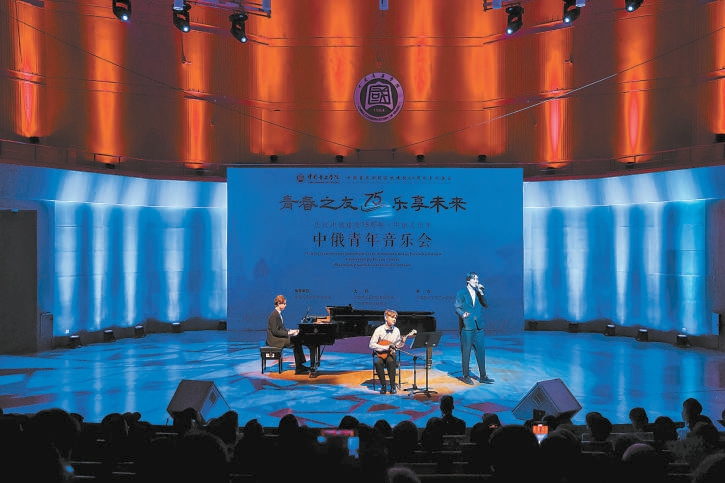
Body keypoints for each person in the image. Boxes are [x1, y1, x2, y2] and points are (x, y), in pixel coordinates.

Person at [454, 271, 494, 385]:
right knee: (466, 352)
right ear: (468, 280)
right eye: (474, 279)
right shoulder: (461, 293)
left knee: (481, 351)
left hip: (478, 326)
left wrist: (481, 292)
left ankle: (483, 376)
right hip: (467, 326)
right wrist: (462, 314)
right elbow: (457, 307)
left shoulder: (478, 293)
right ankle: (466, 376)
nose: (476, 281)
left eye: (477, 279)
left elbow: (485, 304)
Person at [266, 294, 310, 375]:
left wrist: (291, 331)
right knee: (295, 342)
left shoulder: (278, 314)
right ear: (279, 303)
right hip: (274, 340)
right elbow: (275, 332)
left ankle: (300, 366)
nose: (285, 305)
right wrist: (288, 333)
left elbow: (281, 329)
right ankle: (299, 368)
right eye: (284, 303)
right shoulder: (274, 315)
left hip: (277, 338)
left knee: (297, 341)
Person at [369, 309, 406, 394]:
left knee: (391, 361)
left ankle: (392, 386)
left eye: (395, 318)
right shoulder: (379, 330)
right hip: (379, 354)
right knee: (377, 362)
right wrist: (385, 347)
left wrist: (402, 342)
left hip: (390, 354)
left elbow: (397, 346)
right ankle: (383, 386)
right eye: (392, 317)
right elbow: (371, 344)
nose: (394, 319)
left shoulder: (396, 330)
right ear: (386, 318)